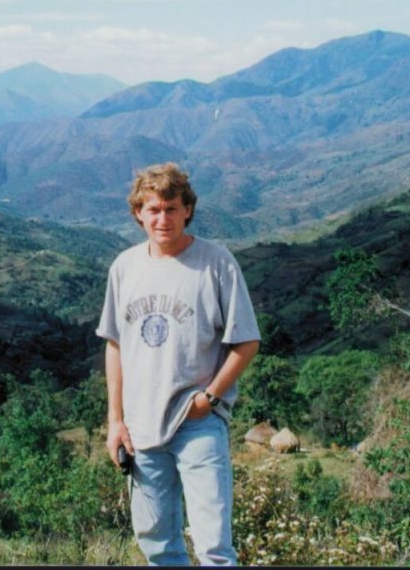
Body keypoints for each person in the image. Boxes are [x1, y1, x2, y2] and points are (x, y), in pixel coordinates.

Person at [97, 162, 260, 566]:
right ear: (138, 213)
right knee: (158, 545)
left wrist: (209, 397)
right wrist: (115, 420)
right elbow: (115, 345)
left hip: (198, 422)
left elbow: (246, 341)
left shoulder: (216, 263)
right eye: (153, 209)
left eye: (171, 208)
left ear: (187, 209)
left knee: (214, 548)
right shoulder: (125, 268)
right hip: (141, 427)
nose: (162, 218)